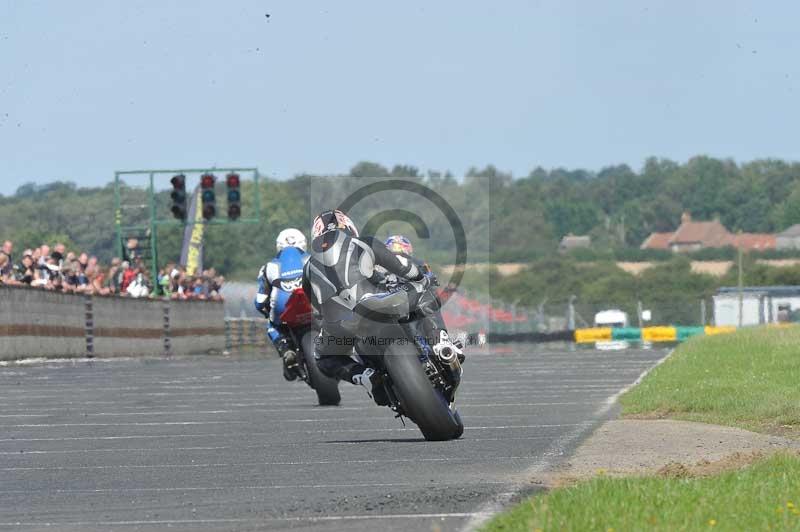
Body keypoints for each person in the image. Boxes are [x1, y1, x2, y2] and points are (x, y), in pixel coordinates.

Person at [302, 210, 462, 399]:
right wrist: (422, 277)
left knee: (323, 357)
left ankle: (364, 376)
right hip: (376, 303)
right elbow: (405, 270)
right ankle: (440, 342)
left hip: (339, 324)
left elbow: (318, 305)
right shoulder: (364, 243)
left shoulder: (307, 267)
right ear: (349, 226)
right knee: (424, 288)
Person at [382, 235, 466, 359]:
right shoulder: (417, 262)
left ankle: (440, 341)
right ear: (407, 249)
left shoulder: (377, 265)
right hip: (401, 306)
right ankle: (441, 341)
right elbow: (431, 281)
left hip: (386, 307)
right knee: (429, 301)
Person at [255, 228, 309, 381]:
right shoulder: (312, 260)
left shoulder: (268, 268)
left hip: (282, 308)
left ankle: (285, 349)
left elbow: (259, 302)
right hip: (312, 304)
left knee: (272, 325)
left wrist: (266, 312)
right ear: (303, 244)